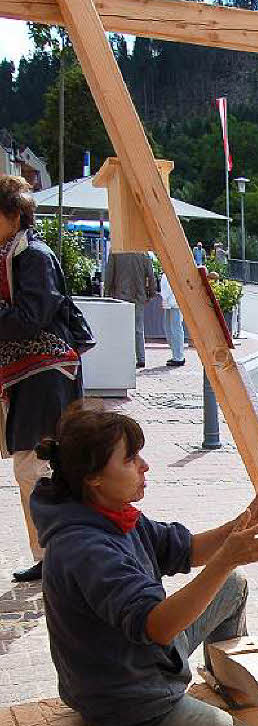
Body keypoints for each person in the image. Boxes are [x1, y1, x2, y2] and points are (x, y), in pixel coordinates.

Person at [31, 404, 258, 726]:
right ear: (94, 479)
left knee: (231, 585)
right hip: (131, 697)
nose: (145, 466)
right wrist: (228, 556)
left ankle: (226, 687)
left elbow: (187, 549)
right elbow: (157, 626)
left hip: (140, 661)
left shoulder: (110, 514)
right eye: (131, 459)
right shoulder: (85, 548)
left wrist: (244, 521)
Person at [0, 174, 94, 583]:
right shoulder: (16, 254)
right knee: (31, 466)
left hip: (45, 372)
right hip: (30, 374)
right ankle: (49, 555)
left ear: (14, 216)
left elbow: (30, 318)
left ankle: (58, 555)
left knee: (38, 466)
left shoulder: (33, 255)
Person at [104, 249, 157, 368]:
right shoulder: (143, 252)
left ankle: (123, 356)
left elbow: (109, 273)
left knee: (121, 328)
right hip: (139, 295)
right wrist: (151, 293)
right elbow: (151, 274)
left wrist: (107, 292)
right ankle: (141, 358)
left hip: (120, 295)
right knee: (138, 328)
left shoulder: (116, 251)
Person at [160, 270, 185, 367]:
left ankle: (179, 356)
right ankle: (176, 354)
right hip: (169, 301)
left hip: (175, 301)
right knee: (169, 328)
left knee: (175, 328)